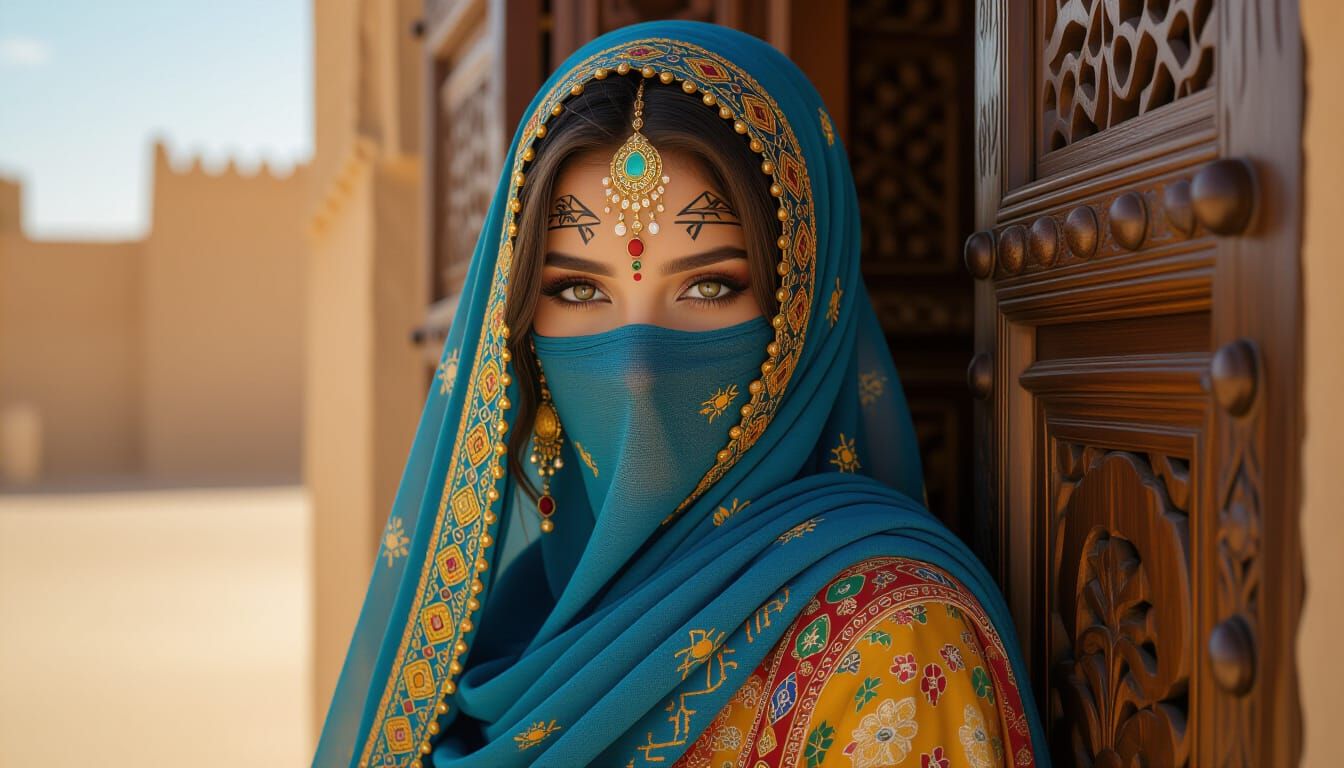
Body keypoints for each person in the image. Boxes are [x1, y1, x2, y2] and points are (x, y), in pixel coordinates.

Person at [313, 20, 1048, 768]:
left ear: (800, 317)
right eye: (575, 287)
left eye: (708, 284)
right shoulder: (514, 624)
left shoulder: (893, 643)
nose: (636, 366)